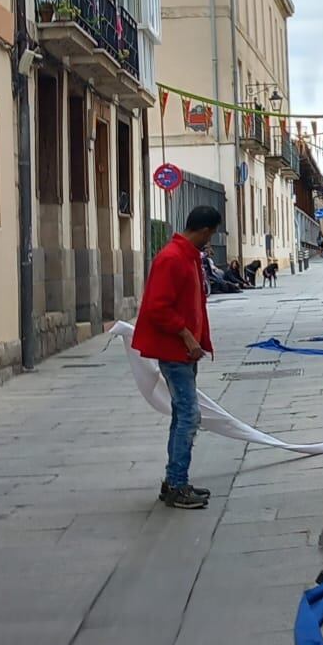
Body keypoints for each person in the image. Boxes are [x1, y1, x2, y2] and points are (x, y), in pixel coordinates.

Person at [133, 205, 222, 509]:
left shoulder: (188, 257)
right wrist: (186, 335)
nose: (210, 240)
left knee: (182, 413)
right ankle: (177, 485)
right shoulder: (172, 258)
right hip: (175, 350)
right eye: (211, 234)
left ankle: (174, 481)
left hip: (186, 350)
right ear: (204, 230)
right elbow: (158, 307)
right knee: (189, 415)